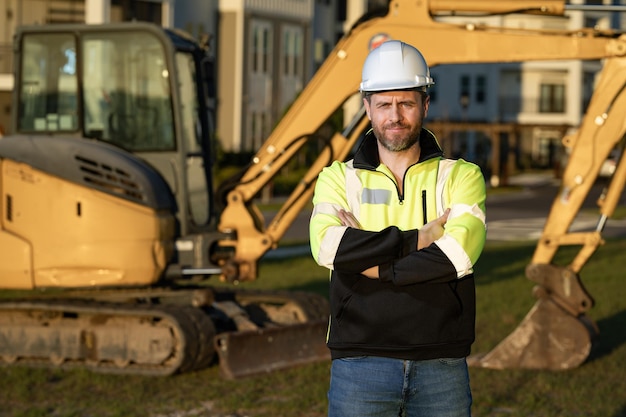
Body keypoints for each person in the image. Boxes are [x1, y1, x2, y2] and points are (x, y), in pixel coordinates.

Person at [309, 40, 487, 417]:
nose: (395, 115)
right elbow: (328, 248)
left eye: (405, 103)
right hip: (360, 362)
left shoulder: (460, 176)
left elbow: (457, 255)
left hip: (441, 363)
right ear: (367, 107)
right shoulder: (338, 178)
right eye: (384, 104)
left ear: (424, 104)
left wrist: (373, 266)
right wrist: (419, 239)